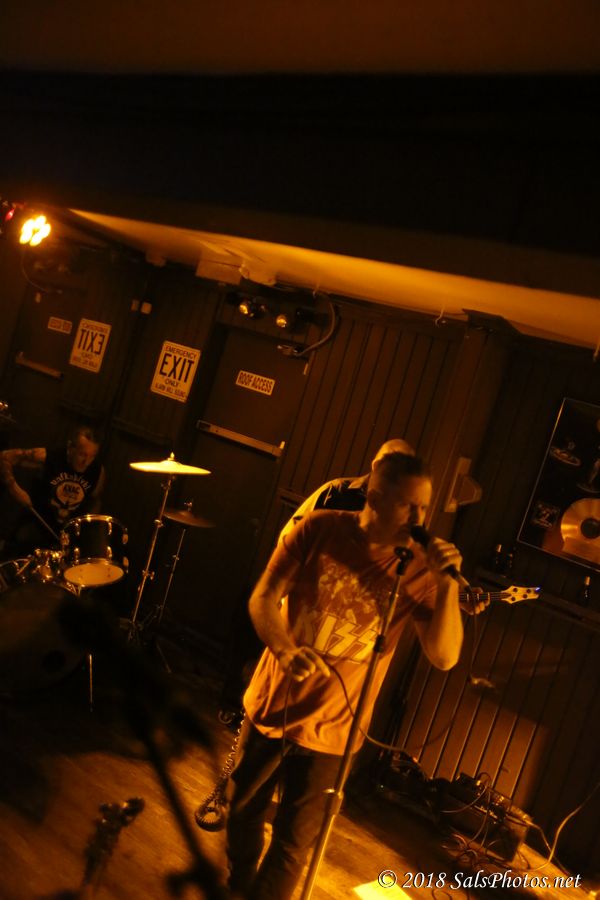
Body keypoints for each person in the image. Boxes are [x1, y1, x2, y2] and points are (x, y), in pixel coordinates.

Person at [224, 452, 464, 899]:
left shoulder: (420, 569)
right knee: (241, 814)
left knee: (293, 846)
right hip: (273, 704)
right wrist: (284, 649)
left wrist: (448, 585)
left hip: (335, 730)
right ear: (374, 497)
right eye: (407, 505)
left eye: (425, 508)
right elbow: (263, 597)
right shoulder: (319, 528)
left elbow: (444, 656)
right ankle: (239, 884)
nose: (419, 519)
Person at [217, 438, 415, 723]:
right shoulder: (336, 492)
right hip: (303, 592)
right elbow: (290, 537)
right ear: (375, 465)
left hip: (341, 614)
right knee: (253, 617)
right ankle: (237, 705)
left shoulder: (404, 517)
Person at [0, 424, 105, 556]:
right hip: (34, 528)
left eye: (92, 456)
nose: (86, 462)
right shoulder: (50, 457)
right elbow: (4, 457)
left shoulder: (97, 471)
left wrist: (85, 528)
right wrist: (15, 489)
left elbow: (94, 501)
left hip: (63, 538)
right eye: (82, 454)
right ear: (70, 447)